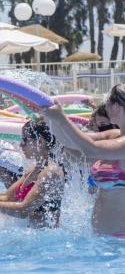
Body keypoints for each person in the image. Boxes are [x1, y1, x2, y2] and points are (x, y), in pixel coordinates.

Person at [40, 84, 125, 236]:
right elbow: (71, 142)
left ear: (116, 106)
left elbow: (90, 149)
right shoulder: (114, 135)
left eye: (107, 102)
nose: (105, 106)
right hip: (104, 241)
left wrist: (61, 118)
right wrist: (49, 118)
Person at [0, 120, 65, 228]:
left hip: (45, 240)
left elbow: (23, 210)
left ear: (40, 142)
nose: (21, 145)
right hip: (29, 234)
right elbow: (6, 197)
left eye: (25, 140)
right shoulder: (34, 168)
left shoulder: (51, 172)